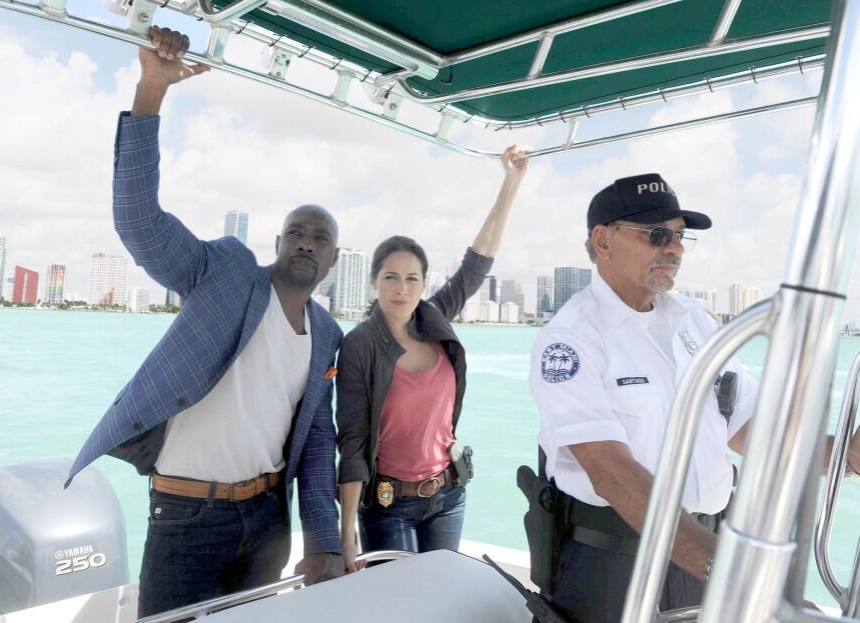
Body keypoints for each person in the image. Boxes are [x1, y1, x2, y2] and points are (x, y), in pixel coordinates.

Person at [65, 27, 344, 618]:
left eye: (319, 237)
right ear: (277, 241)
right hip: (186, 515)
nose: (305, 242)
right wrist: (152, 91)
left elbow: (318, 445)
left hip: (268, 520)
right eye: (296, 230)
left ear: (333, 259)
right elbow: (139, 221)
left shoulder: (327, 334)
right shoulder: (226, 273)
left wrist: (323, 540)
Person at [528, 173, 860, 623]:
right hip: (615, 562)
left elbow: (750, 429)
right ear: (602, 241)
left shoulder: (694, 321)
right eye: (657, 235)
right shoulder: (570, 340)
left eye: (681, 237)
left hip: (703, 550)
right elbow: (610, 472)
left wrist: (843, 456)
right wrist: (733, 574)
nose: (676, 249)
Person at [336, 145, 530, 572]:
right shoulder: (360, 345)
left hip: (448, 496)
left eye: (412, 279)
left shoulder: (435, 320)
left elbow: (475, 265)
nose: (401, 289)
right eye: (391, 278)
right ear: (374, 283)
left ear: (424, 284)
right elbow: (352, 443)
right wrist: (346, 531)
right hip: (389, 505)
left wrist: (511, 183)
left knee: (443, 601)